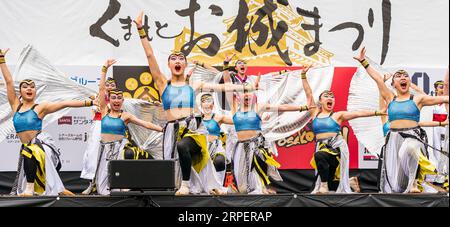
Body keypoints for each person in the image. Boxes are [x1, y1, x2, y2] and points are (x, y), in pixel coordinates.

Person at [134, 12, 254, 195]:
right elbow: (150, 55)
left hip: (193, 128)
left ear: (185, 64)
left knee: (185, 147)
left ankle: (186, 184)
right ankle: (199, 186)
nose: (177, 60)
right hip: (171, 130)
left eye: (181, 58)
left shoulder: (193, 85)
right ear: (168, 64)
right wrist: (140, 29)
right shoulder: (162, 84)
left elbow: (219, 86)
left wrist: (245, 86)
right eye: (173, 58)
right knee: (178, 161)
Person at [354, 47, 449, 193]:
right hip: (393, 139)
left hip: (413, 136)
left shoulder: (418, 99)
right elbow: (378, 79)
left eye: (406, 75)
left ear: (409, 82)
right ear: (393, 84)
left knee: (410, 147)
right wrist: (363, 61)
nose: (403, 77)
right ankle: (409, 184)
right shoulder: (390, 98)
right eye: (399, 76)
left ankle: (413, 183)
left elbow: (443, 98)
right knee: (396, 185)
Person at [0, 48, 92, 196]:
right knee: (30, 153)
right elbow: (9, 82)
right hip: (27, 147)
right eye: (25, 86)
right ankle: (59, 189)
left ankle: (31, 188)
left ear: (36, 91)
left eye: (32, 86)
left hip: (42, 143)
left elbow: (65, 103)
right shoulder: (16, 106)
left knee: (32, 150)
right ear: (20, 92)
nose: (29, 88)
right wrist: (1, 59)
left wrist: (89, 102)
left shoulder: (40, 108)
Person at [301, 66, 384, 194]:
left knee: (320, 156)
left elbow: (358, 113)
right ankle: (350, 181)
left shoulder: (337, 115)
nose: (330, 98)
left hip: (336, 148)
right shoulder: (314, 113)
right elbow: (308, 93)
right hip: (322, 147)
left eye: (332, 97)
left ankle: (324, 187)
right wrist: (303, 76)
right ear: (320, 101)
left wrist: (378, 112)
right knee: (326, 170)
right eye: (326, 96)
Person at [81, 77, 118, 195]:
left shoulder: (119, 99)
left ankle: (109, 184)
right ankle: (92, 184)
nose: (110, 87)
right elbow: (94, 115)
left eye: (112, 85)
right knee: (93, 154)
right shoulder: (98, 98)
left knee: (111, 154)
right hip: (98, 125)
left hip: (112, 126)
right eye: (108, 84)